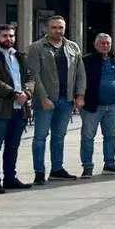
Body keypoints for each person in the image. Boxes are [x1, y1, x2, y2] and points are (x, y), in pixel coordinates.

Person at [25, 15, 86, 184]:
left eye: (61, 27)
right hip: (45, 101)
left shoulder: (73, 47)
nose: (58, 31)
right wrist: (43, 98)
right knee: (40, 137)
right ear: (47, 29)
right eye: (54, 27)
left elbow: (80, 73)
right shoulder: (36, 48)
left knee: (59, 137)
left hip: (66, 100)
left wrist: (80, 95)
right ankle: (39, 171)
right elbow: (34, 75)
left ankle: (57, 169)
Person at [0, 24, 32, 194]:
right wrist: (13, 93)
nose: (8, 39)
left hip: (19, 109)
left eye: (11, 36)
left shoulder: (20, 57)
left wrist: (27, 92)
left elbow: (31, 78)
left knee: (12, 147)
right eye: (4, 36)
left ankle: (10, 179)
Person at [80, 33, 115, 177]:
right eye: (102, 43)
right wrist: (79, 98)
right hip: (93, 106)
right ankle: (87, 167)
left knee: (110, 136)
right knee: (88, 137)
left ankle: (109, 164)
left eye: (108, 43)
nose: (105, 45)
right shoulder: (86, 60)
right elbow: (79, 80)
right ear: (95, 44)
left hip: (112, 105)